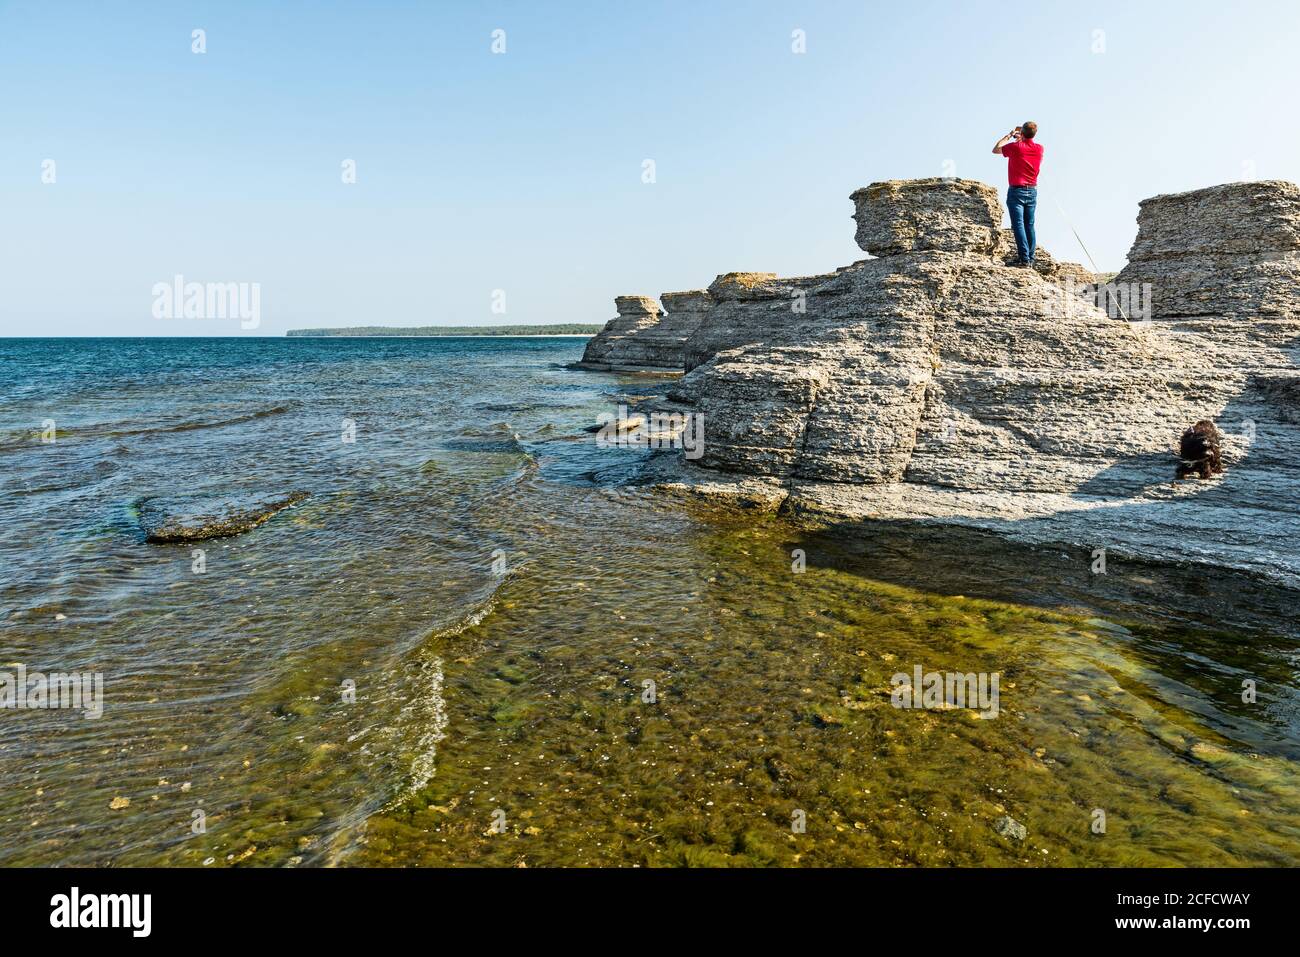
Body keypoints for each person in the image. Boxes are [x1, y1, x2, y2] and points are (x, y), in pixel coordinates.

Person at [991, 121, 1043, 267]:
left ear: (1023, 133)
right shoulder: (1039, 148)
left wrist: (1009, 135)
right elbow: (1026, 147)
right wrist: (1022, 138)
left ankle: (1024, 259)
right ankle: (1030, 259)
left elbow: (996, 149)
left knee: (1018, 225)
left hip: (1016, 191)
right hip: (1032, 190)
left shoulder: (1015, 147)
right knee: (1029, 225)